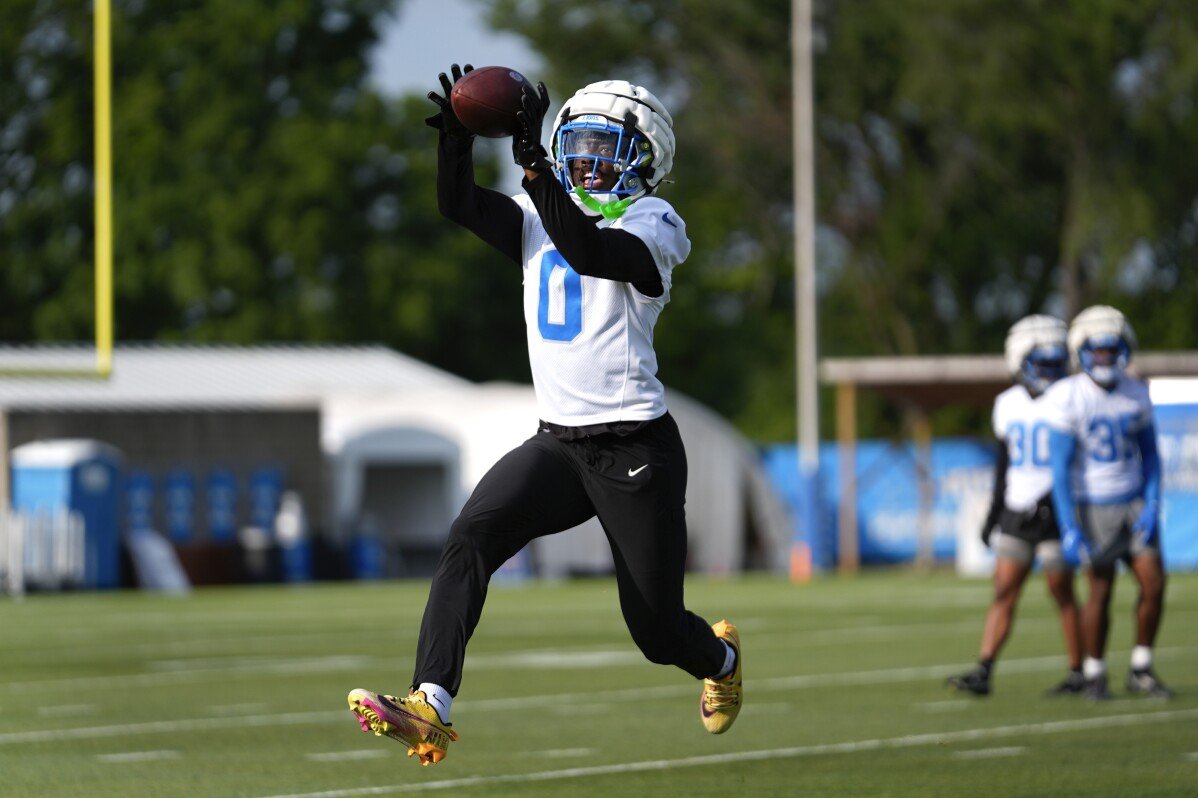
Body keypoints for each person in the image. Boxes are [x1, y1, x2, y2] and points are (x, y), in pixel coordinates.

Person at [346, 65, 742, 765]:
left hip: (634, 450)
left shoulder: (655, 222)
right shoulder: (538, 210)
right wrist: (458, 139)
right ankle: (428, 704)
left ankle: (718, 657)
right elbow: (459, 205)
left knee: (655, 634)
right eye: (577, 142)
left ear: (643, 155)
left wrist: (532, 166)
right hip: (558, 444)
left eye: (602, 146)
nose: (585, 157)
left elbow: (590, 254)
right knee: (469, 536)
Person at [947, 315, 1084, 697]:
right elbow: (1004, 464)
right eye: (1042, 364)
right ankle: (985, 668)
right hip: (1017, 508)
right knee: (1004, 589)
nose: (1050, 372)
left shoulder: (1072, 397)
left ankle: (1079, 670)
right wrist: (993, 516)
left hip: (1056, 508)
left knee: (1062, 590)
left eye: (1056, 364)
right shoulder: (1007, 404)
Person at [1041, 305, 1171, 701]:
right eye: (1097, 352)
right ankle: (1095, 673)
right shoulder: (1069, 395)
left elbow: (1150, 456)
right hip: (1092, 503)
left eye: (1111, 351)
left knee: (1154, 583)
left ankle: (1141, 666)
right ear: (1082, 352)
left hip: (1131, 498)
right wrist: (1067, 524)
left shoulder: (1136, 391)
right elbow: (1060, 469)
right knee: (1100, 590)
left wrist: (1150, 503)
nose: (1105, 358)